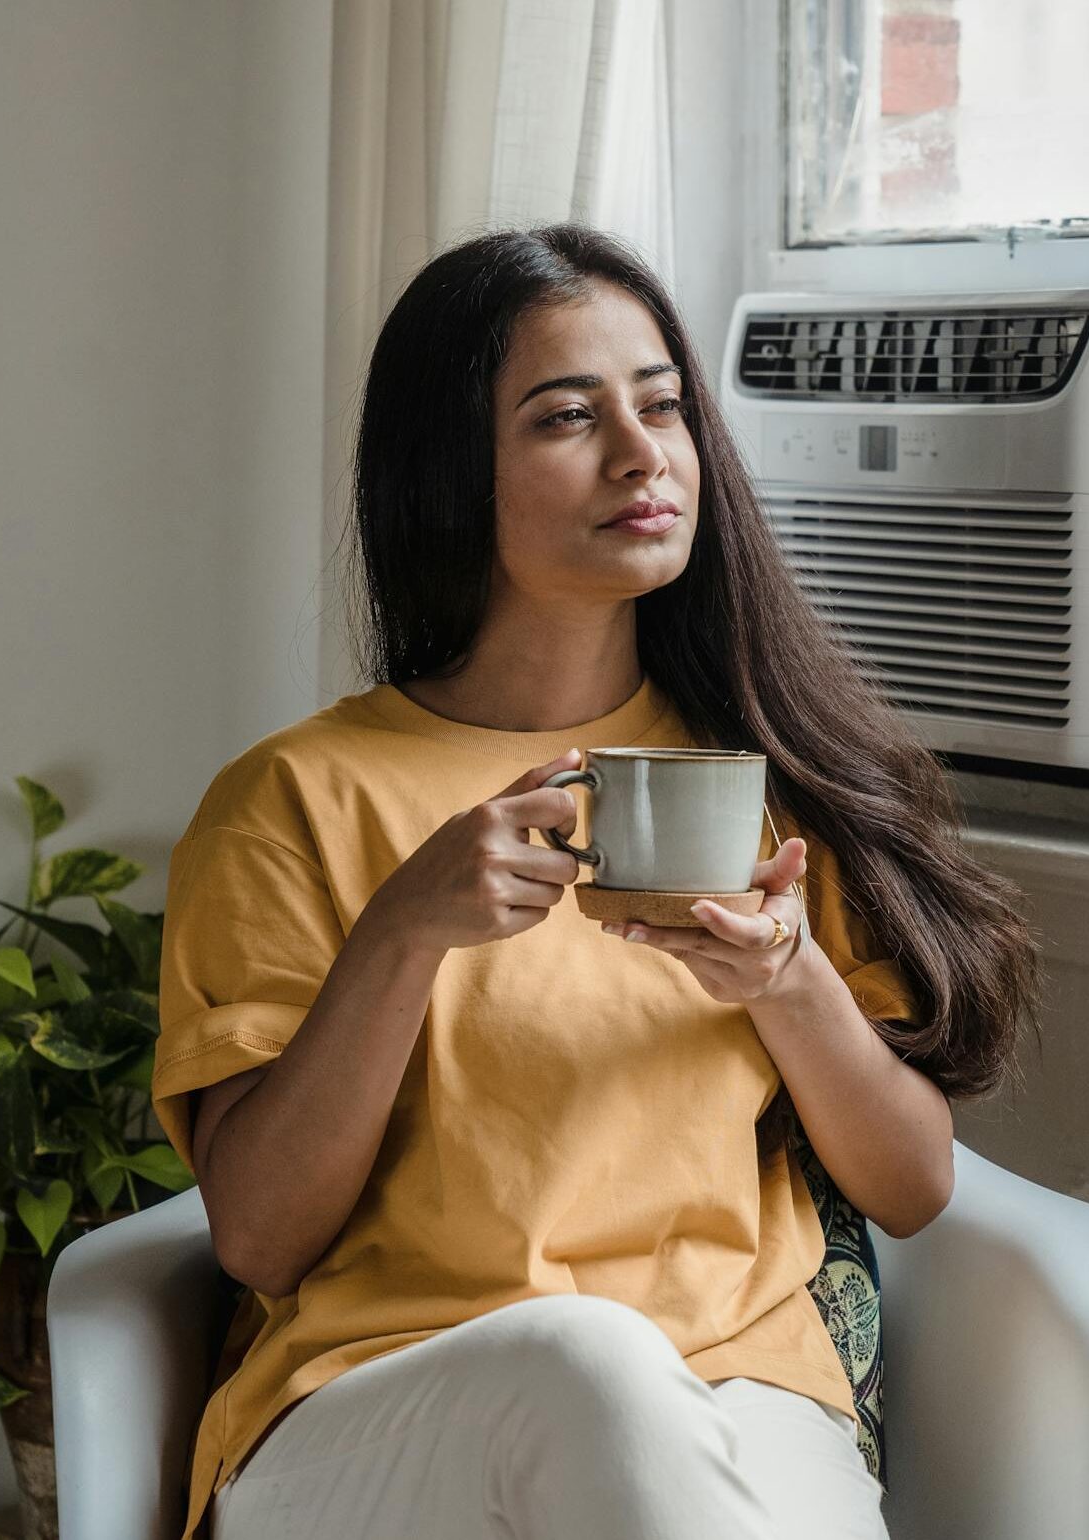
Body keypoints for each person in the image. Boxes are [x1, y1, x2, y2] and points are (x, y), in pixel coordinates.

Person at [150, 222, 1040, 1540]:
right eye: (569, 416)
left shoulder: (765, 785)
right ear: (453, 471)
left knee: (639, 1402)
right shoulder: (295, 800)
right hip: (382, 1411)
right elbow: (262, 1240)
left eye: (664, 405)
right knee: (592, 1363)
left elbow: (911, 1189)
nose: (642, 453)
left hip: (741, 1389)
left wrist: (786, 980)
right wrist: (402, 933)